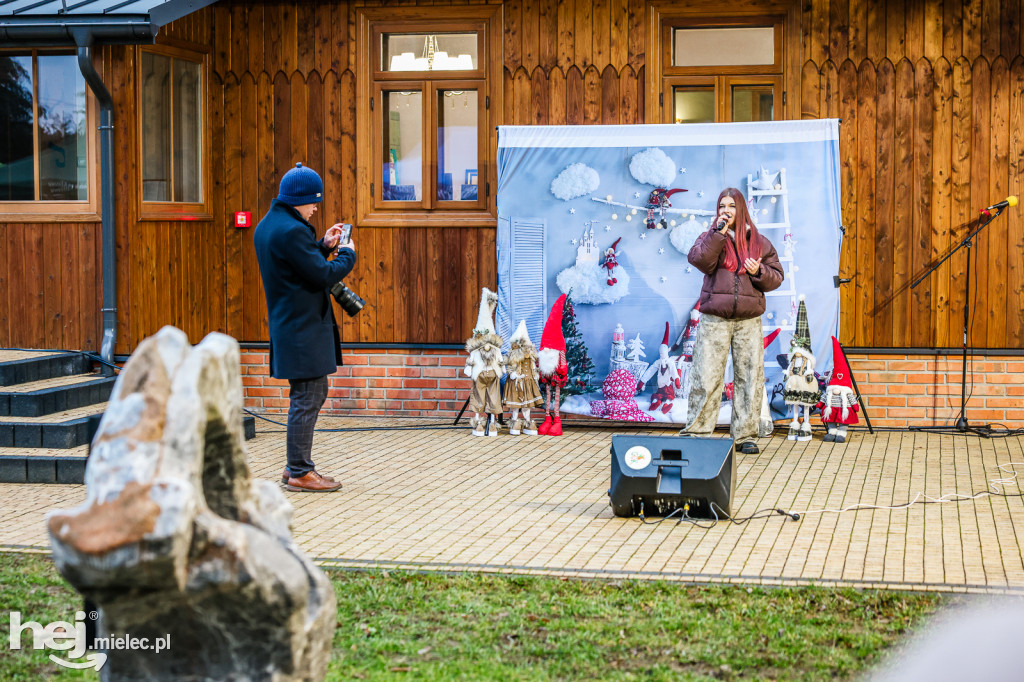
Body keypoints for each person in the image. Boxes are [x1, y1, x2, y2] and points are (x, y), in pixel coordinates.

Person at [254, 163, 356, 492]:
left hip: (290, 325)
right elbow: (321, 275)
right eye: (314, 202)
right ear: (301, 199)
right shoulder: (292, 230)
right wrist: (346, 256)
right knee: (308, 395)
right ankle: (299, 471)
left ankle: (294, 467)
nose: (316, 208)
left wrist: (323, 246)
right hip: (302, 329)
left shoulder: (270, 225)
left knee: (309, 393)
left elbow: (299, 262)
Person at [683, 187, 784, 454]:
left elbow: (776, 276)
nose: (725, 210)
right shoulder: (709, 237)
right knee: (706, 375)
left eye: (731, 206)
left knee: (749, 377)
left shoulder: (759, 242)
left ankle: (745, 435)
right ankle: (697, 432)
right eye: (721, 206)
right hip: (715, 318)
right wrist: (718, 234)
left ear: (741, 209)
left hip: (749, 321)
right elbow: (700, 260)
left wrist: (759, 270)